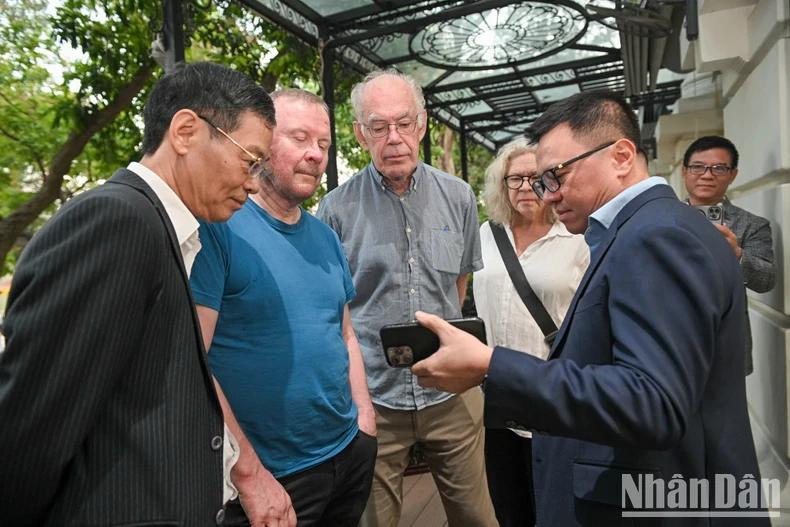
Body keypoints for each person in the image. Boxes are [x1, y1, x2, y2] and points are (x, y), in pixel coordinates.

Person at [412, 91, 767, 526]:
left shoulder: (656, 237)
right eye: (541, 181)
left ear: (620, 156)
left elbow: (652, 402)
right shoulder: (645, 228)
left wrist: (491, 365)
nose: (549, 193)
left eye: (557, 175)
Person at [0, 62, 275, 526]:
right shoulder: (117, 223)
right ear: (186, 131)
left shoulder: (161, 229)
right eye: (250, 160)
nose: (253, 182)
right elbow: (32, 435)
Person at [190, 88, 377, 527]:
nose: (315, 154)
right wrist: (250, 475)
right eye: (300, 138)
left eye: (324, 144)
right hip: (269, 481)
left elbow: (345, 333)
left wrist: (364, 417)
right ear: (263, 140)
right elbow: (193, 361)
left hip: (348, 452)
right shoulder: (221, 228)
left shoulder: (326, 236)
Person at [316, 70, 496, 527]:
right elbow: (334, 308)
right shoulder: (336, 209)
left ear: (421, 125)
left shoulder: (458, 197)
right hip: (375, 398)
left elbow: (458, 285)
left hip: (451, 392)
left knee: (476, 517)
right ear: (360, 134)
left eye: (403, 123)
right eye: (379, 126)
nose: (393, 138)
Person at [474, 137, 588, 527]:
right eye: (514, 179)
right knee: (509, 503)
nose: (525, 187)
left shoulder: (577, 238)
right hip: (497, 393)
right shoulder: (484, 236)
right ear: (501, 185)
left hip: (553, 390)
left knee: (557, 504)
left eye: (534, 178)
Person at [682, 135, 776, 374]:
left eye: (719, 168)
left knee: (725, 412)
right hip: (674, 339)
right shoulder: (662, 219)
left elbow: (766, 280)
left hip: (726, 345)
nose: (707, 174)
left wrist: (736, 255)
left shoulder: (752, 225)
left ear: (733, 174)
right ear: (684, 172)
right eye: (698, 167)